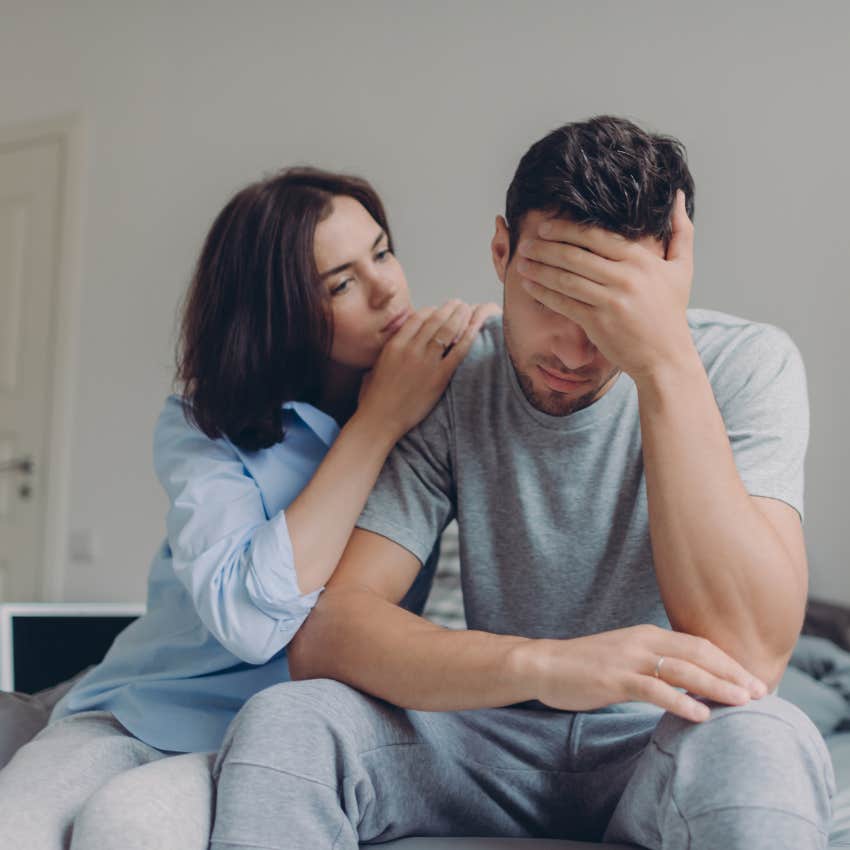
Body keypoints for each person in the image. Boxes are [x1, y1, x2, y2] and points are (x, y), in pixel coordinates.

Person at [211, 117, 836, 850]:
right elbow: (328, 633)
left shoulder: (745, 365)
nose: (574, 350)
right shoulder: (453, 376)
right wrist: (548, 666)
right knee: (288, 720)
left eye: (606, 312)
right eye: (551, 301)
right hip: (489, 735)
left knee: (768, 737)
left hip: (665, 737)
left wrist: (663, 361)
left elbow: (752, 653)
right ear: (502, 251)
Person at [0, 167, 496, 850]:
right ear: (281, 311)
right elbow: (250, 619)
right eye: (343, 282)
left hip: (283, 732)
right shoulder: (204, 425)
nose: (388, 287)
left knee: (128, 828)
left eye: (383, 252)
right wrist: (376, 422)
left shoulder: (443, 396)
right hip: (139, 706)